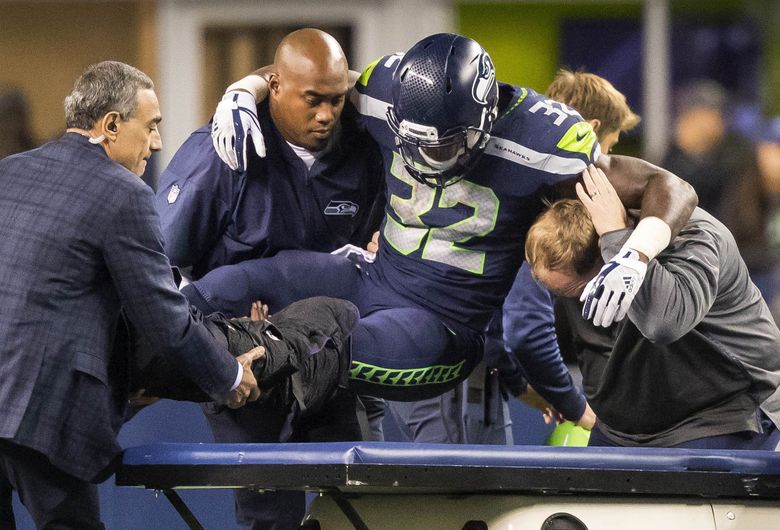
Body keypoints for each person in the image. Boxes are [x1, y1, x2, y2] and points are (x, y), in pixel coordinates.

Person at [193, 33, 695, 414]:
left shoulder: (541, 139)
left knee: (312, 347)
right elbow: (312, 78)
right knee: (233, 284)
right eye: (411, 141)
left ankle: (187, 362)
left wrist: (637, 251)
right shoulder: (383, 89)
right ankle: (147, 354)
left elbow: (670, 187)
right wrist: (247, 87)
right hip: (374, 277)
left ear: (481, 122)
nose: (424, 159)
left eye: (441, 146)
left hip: (440, 327)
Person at [0, 61, 263, 530]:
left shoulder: (10, 172)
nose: (157, 143)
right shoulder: (125, 194)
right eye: (152, 126)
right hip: (42, 408)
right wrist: (227, 378)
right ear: (111, 125)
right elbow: (165, 320)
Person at [155, 28, 385, 529]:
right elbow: (166, 261)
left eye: (336, 101)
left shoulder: (365, 150)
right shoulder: (227, 148)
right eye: (313, 100)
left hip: (331, 349)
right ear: (275, 87)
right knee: (269, 510)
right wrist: (224, 323)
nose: (326, 115)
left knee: (359, 500)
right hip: (245, 353)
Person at [385, 68, 642, 445]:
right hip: (446, 366)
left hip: (452, 360)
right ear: (590, 128)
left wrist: (517, 381)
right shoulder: (541, 204)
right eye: (610, 147)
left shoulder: (496, 170)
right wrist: (576, 407)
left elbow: (494, 316)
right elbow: (526, 329)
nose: (607, 161)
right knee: (459, 498)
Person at [524, 165, 780, 449]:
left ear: (602, 259)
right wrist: (548, 387)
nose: (581, 301)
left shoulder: (695, 236)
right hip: (619, 430)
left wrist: (619, 242)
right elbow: (524, 328)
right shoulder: (568, 245)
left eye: (581, 291)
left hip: (718, 417)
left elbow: (663, 323)